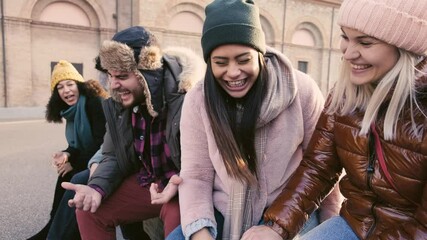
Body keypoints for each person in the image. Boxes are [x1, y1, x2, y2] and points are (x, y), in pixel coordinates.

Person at [249, 0, 427, 239]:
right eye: (345, 37)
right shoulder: (344, 95)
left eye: (365, 42)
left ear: (404, 47)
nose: (348, 53)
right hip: (353, 224)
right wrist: (276, 227)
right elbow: (317, 168)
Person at [167, 1, 343, 239]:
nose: (232, 72)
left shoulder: (302, 91)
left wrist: (329, 219)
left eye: (243, 60)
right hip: (224, 209)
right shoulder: (198, 100)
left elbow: (322, 165)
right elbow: (196, 175)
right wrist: (200, 232)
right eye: (221, 63)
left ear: (260, 54)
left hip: (290, 209)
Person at [62, 26, 205, 239]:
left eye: (121, 76)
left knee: (177, 217)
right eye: (110, 76)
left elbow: (205, 162)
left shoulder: (188, 97)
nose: (113, 85)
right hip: (148, 183)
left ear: (147, 72)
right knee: (88, 209)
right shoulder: (120, 103)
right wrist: (96, 188)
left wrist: (178, 182)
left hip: (184, 187)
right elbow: (113, 155)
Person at [28, 60, 107, 240]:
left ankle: (61, 231)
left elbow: (100, 141)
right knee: (64, 173)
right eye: (60, 87)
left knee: (74, 175)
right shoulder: (71, 111)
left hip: (105, 158)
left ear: (79, 85)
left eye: (70, 84)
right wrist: (66, 154)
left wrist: (75, 164)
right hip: (92, 155)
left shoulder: (94, 103)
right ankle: (53, 224)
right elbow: (78, 145)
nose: (66, 90)